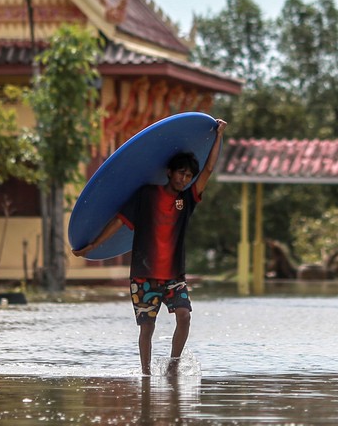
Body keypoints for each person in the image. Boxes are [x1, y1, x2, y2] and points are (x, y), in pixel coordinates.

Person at [74, 118, 227, 375]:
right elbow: (119, 221)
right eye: (181, 173)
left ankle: (173, 366)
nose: (185, 179)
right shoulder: (147, 195)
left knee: (185, 316)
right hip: (144, 274)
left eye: (189, 176)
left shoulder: (186, 200)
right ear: (170, 172)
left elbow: (209, 170)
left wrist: (219, 135)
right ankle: (145, 374)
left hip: (173, 275)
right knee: (147, 328)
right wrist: (92, 246)